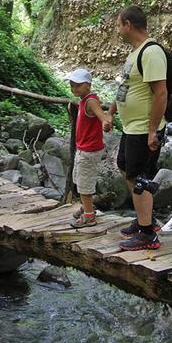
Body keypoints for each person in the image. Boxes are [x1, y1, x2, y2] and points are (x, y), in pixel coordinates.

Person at [106, 6, 167, 251]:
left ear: (128, 25)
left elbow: (161, 94)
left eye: (118, 25)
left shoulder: (151, 53)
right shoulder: (135, 53)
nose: (117, 29)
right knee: (125, 168)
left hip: (144, 128)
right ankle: (146, 220)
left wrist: (153, 130)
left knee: (138, 178)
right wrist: (111, 112)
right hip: (132, 127)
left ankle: (147, 235)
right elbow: (126, 89)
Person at [66, 69, 112, 229]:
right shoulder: (83, 100)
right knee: (79, 179)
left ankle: (89, 217)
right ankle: (87, 208)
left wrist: (106, 122)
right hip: (84, 148)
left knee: (84, 183)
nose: (74, 89)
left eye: (78, 85)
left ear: (88, 85)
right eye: (72, 85)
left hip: (89, 150)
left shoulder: (91, 101)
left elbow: (101, 116)